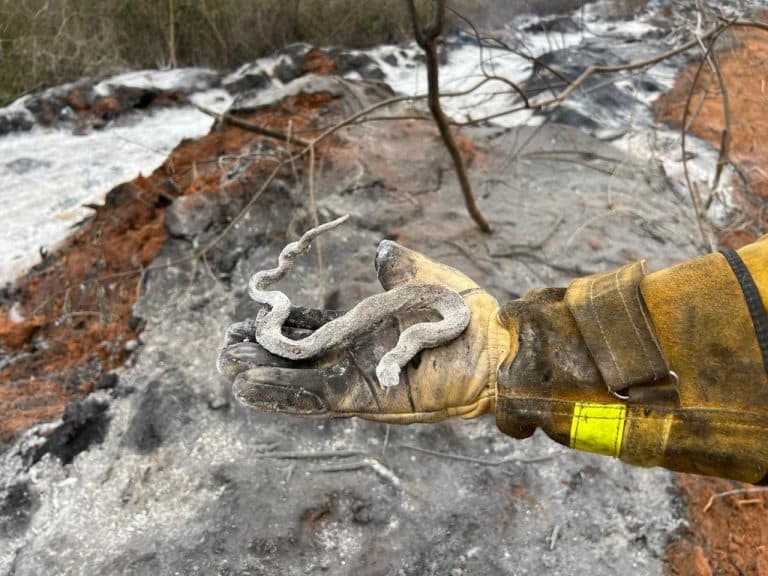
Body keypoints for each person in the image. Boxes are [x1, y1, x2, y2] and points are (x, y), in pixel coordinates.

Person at [218, 235, 768, 484]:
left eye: (399, 361)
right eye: (396, 366)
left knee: (333, 337)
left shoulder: (425, 338)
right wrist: (513, 350)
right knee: (317, 335)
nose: (400, 363)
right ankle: (278, 310)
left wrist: (504, 355)